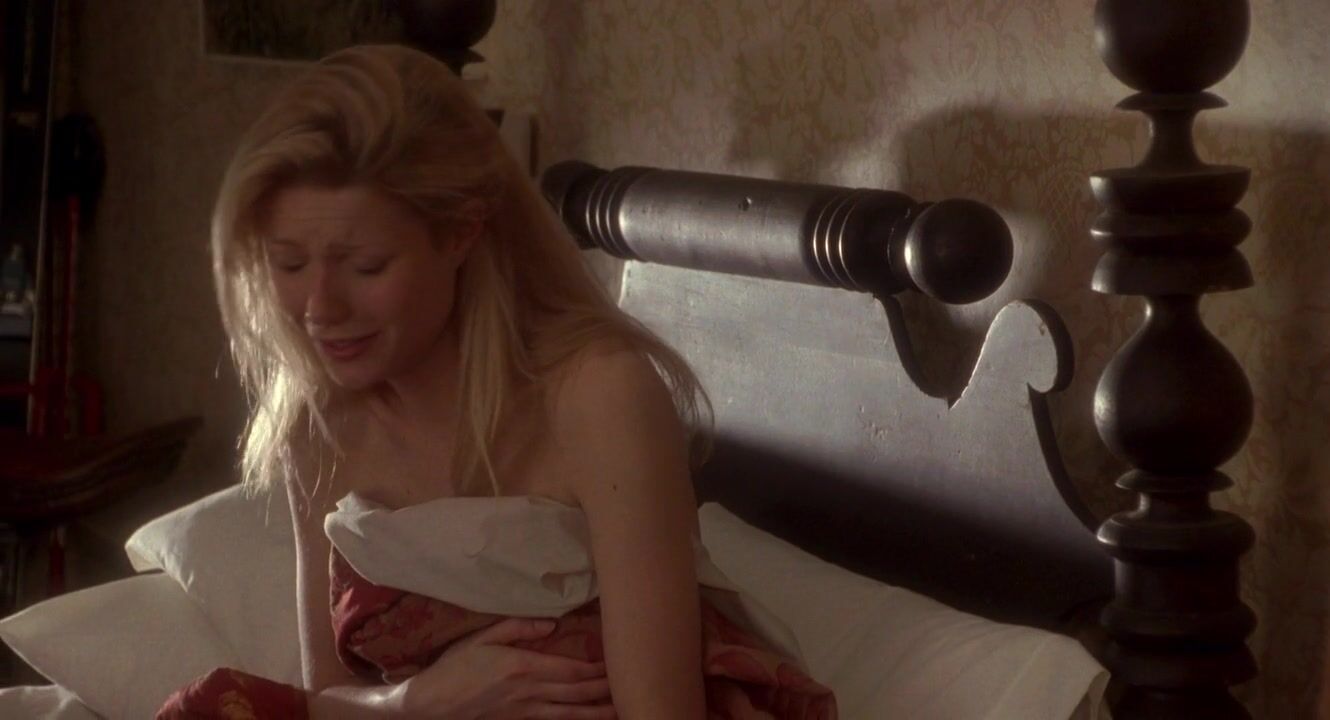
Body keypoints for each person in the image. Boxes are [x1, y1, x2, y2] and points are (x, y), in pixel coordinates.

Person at [163, 44, 835, 719]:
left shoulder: (600, 398)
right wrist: (419, 700)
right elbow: (329, 701)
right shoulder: (315, 421)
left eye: (365, 266)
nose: (320, 309)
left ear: (460, 233)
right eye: (288, 263)